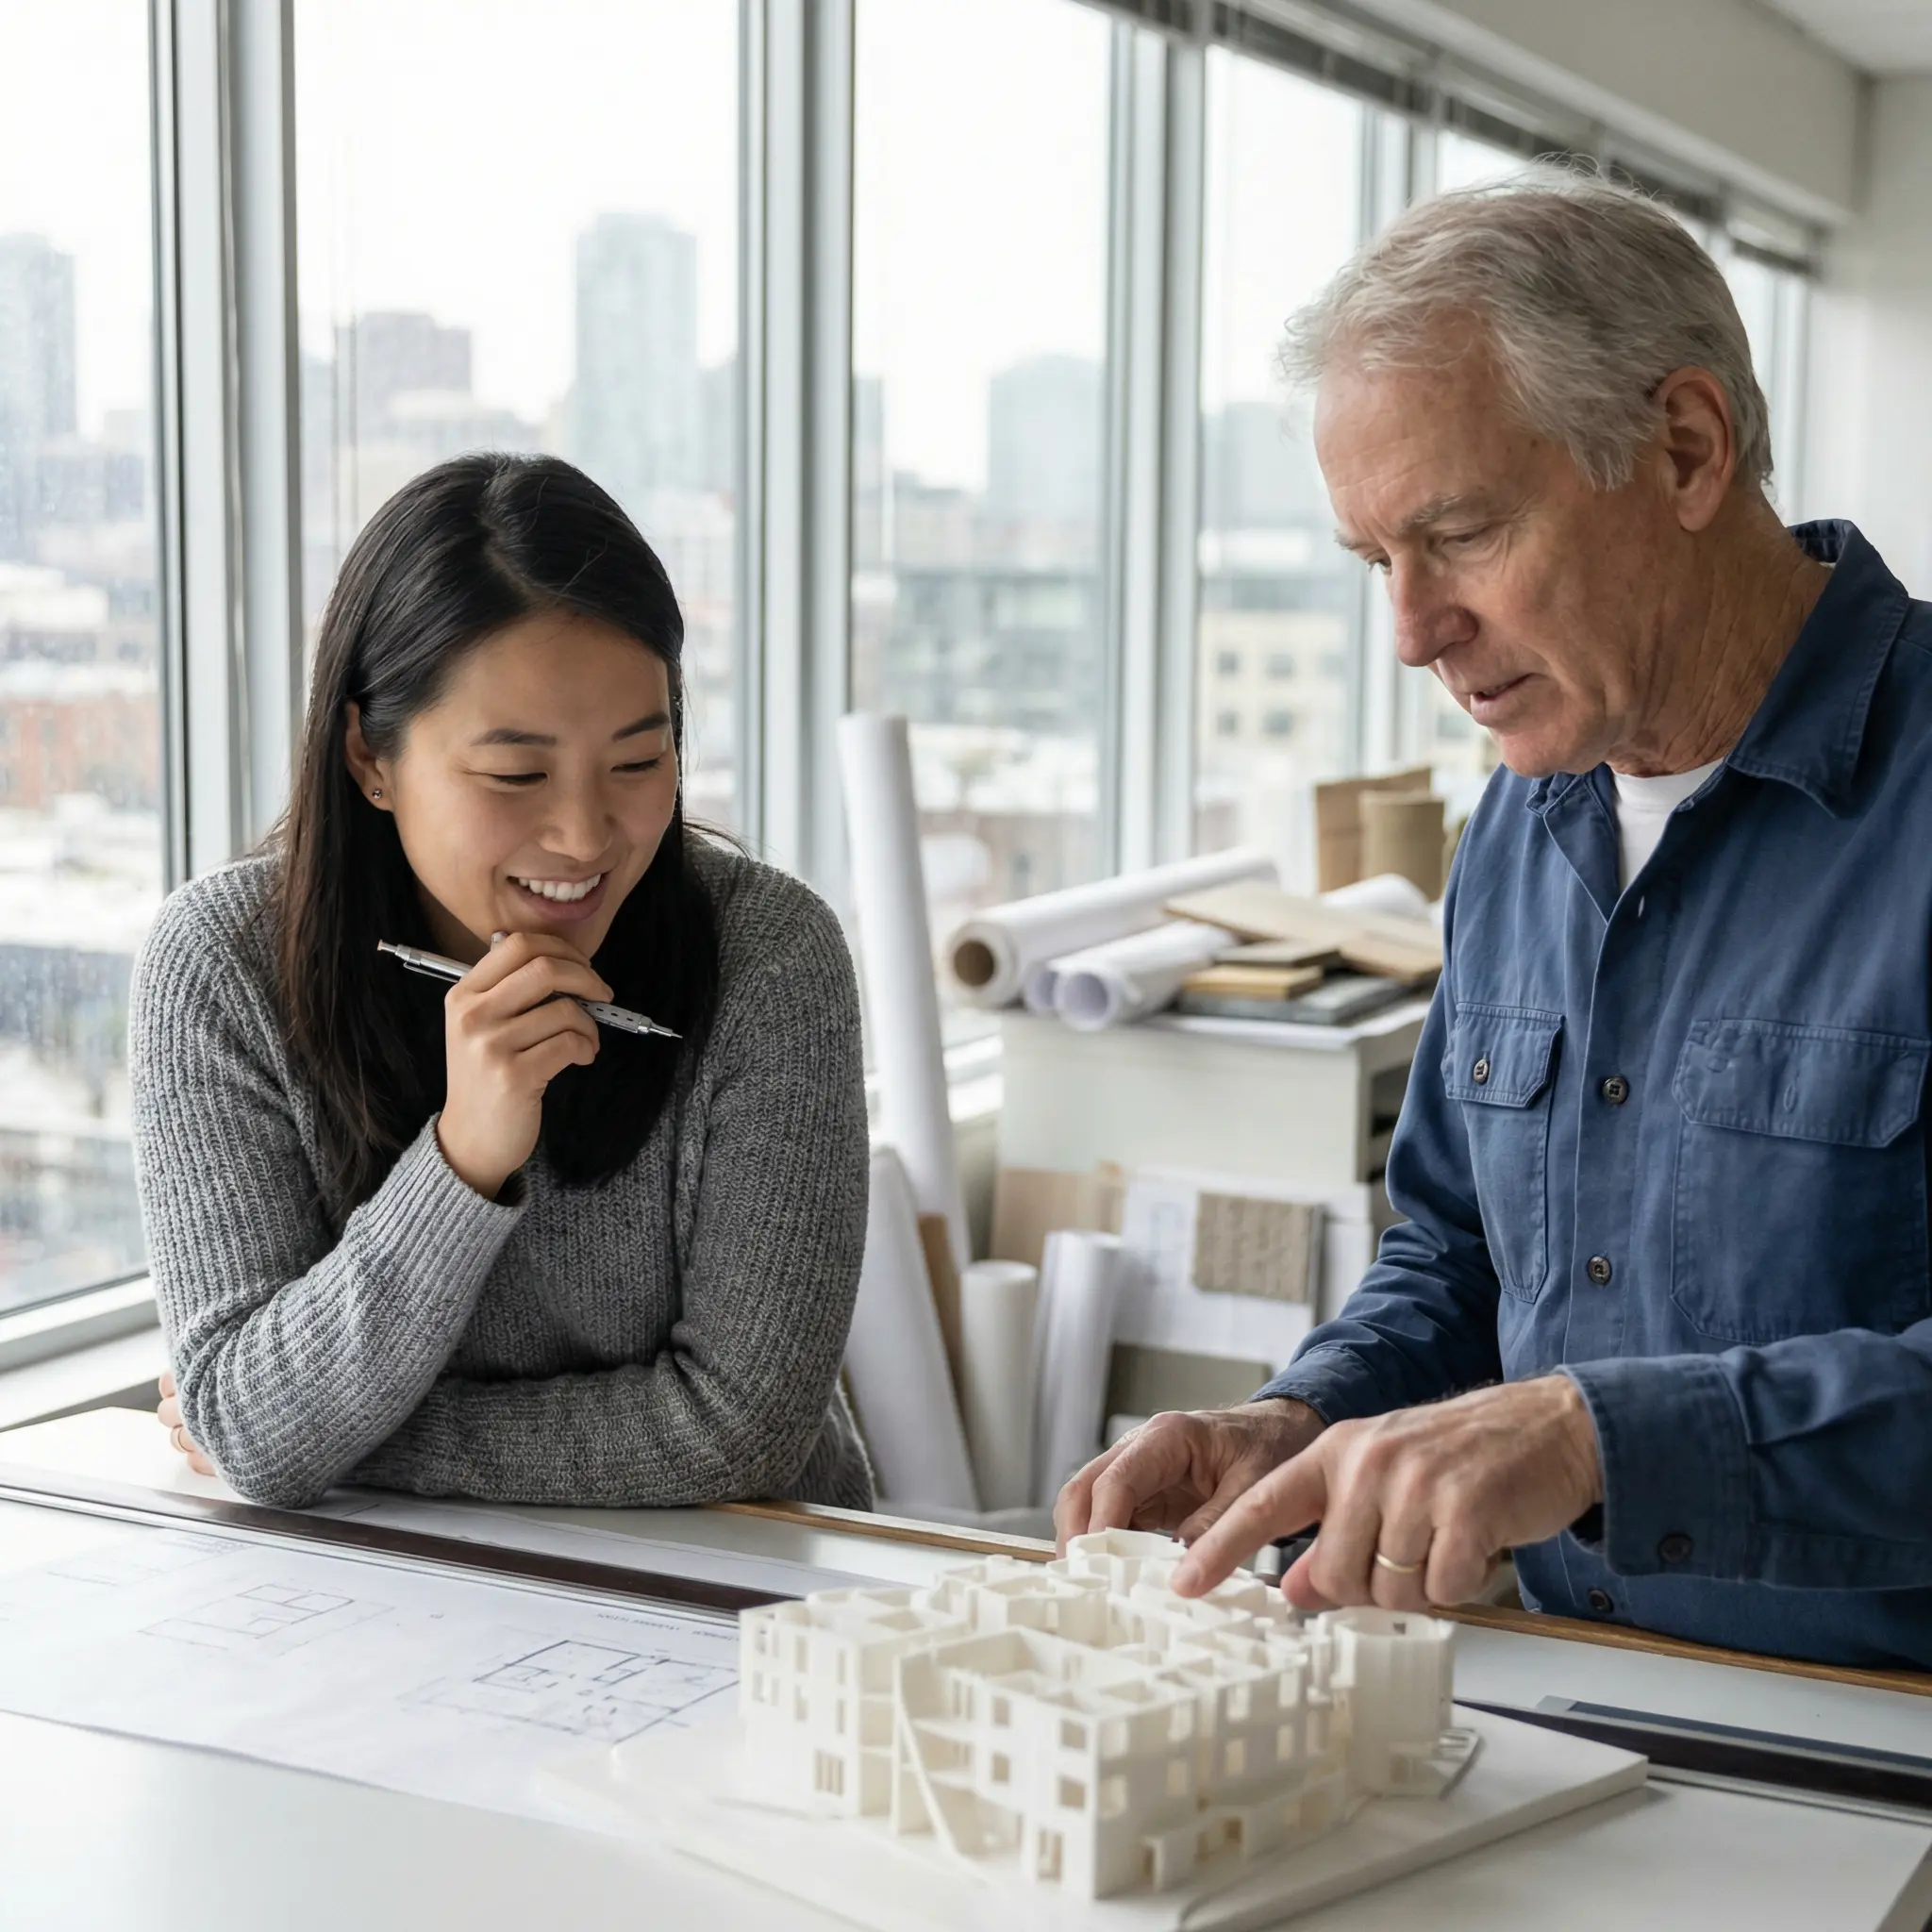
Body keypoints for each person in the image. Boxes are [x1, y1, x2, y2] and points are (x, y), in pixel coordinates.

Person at [1058, 169, 1932, 1671]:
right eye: (1374, 562)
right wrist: (1301, 1418)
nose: (1410, 633)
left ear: (1684, 447)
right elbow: (1461, 1251)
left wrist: (1603, 1435)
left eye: (1458, 535)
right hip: (1563, 1697)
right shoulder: (1520, 828)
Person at [136, 453, 873, 1513]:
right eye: (515, 773)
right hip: (401, 1605)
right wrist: (463, 1157)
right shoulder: (220, 965)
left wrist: (339, 1442)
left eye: (637, 759)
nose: (582, 834)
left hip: (743, 1585)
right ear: (367, 753)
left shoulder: (769, 955)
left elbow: (738, 1433)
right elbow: (241, 1417)